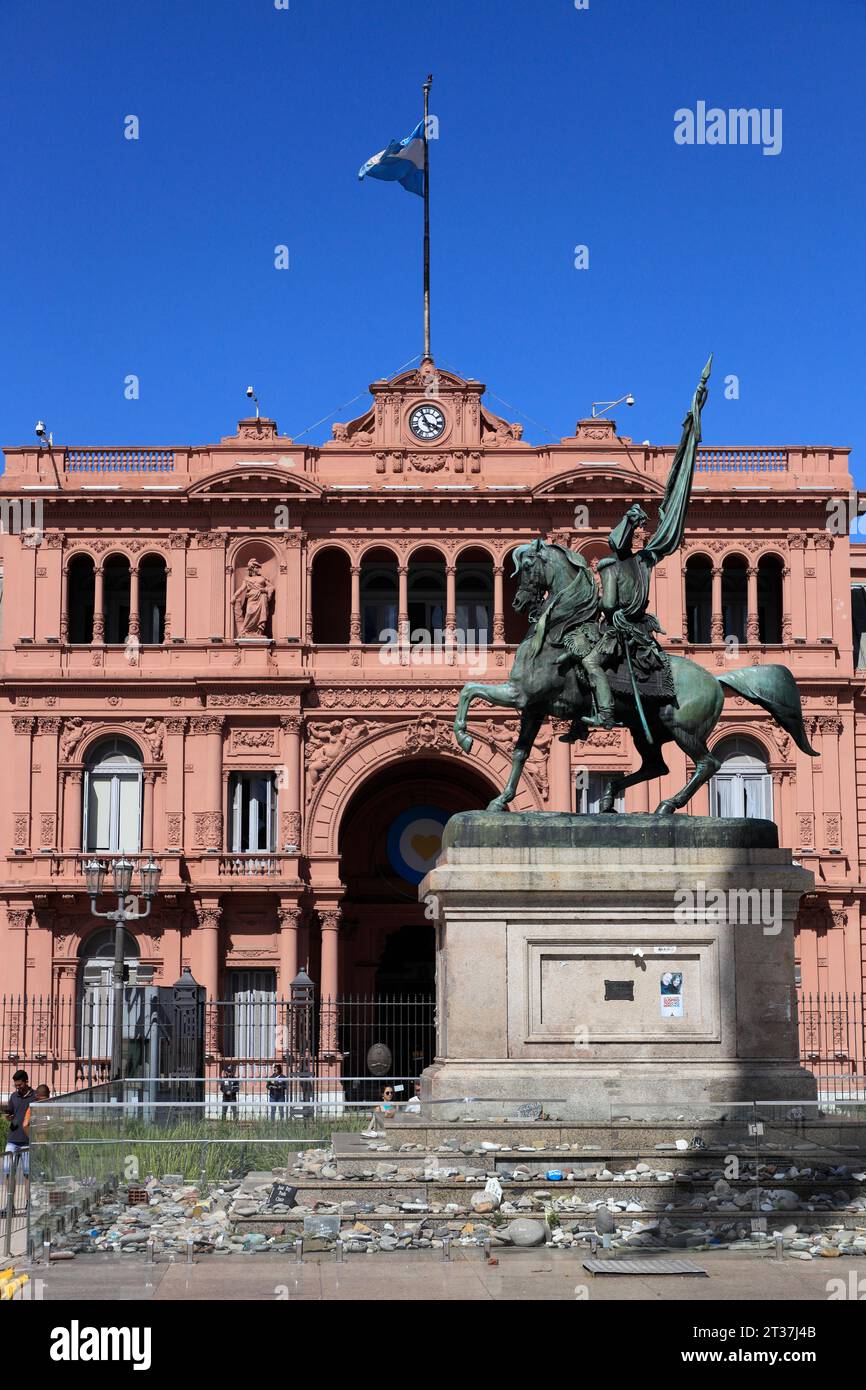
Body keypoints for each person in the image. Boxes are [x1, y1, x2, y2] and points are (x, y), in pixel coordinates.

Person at [4, 1070, 35, 1178]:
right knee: (8, 1173)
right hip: (12, 1140)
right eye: (16, 1085)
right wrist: (8, 1117)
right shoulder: (13, 1096)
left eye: (20, 1085)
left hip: (27, 1141)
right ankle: (9, 1195)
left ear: (26, 1081)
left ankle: (27, 1196)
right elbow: (10, 1113)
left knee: (28, 1175)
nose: (18, 1087)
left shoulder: (35, 1096)